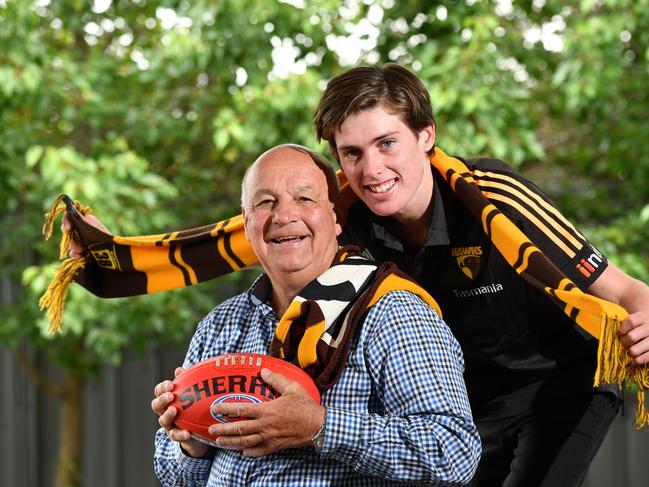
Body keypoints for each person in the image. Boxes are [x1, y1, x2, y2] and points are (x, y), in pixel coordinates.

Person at [312, 64, 649, 487]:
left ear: (426, 136)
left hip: (563, 384)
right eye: (353, 153)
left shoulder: (491, 194)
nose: (371, 169)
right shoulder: (345, 223)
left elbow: (625, 289)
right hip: (469, 405)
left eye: (387, 143)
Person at [149, 144, 481, 486]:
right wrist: (190, 441)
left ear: (336, 217)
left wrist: (320, 426)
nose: (283, 216)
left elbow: (452, 452)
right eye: (265, 203)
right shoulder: (221, 325)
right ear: (248, 225)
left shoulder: (391, 311)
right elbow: (177, 477)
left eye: (305, 199)